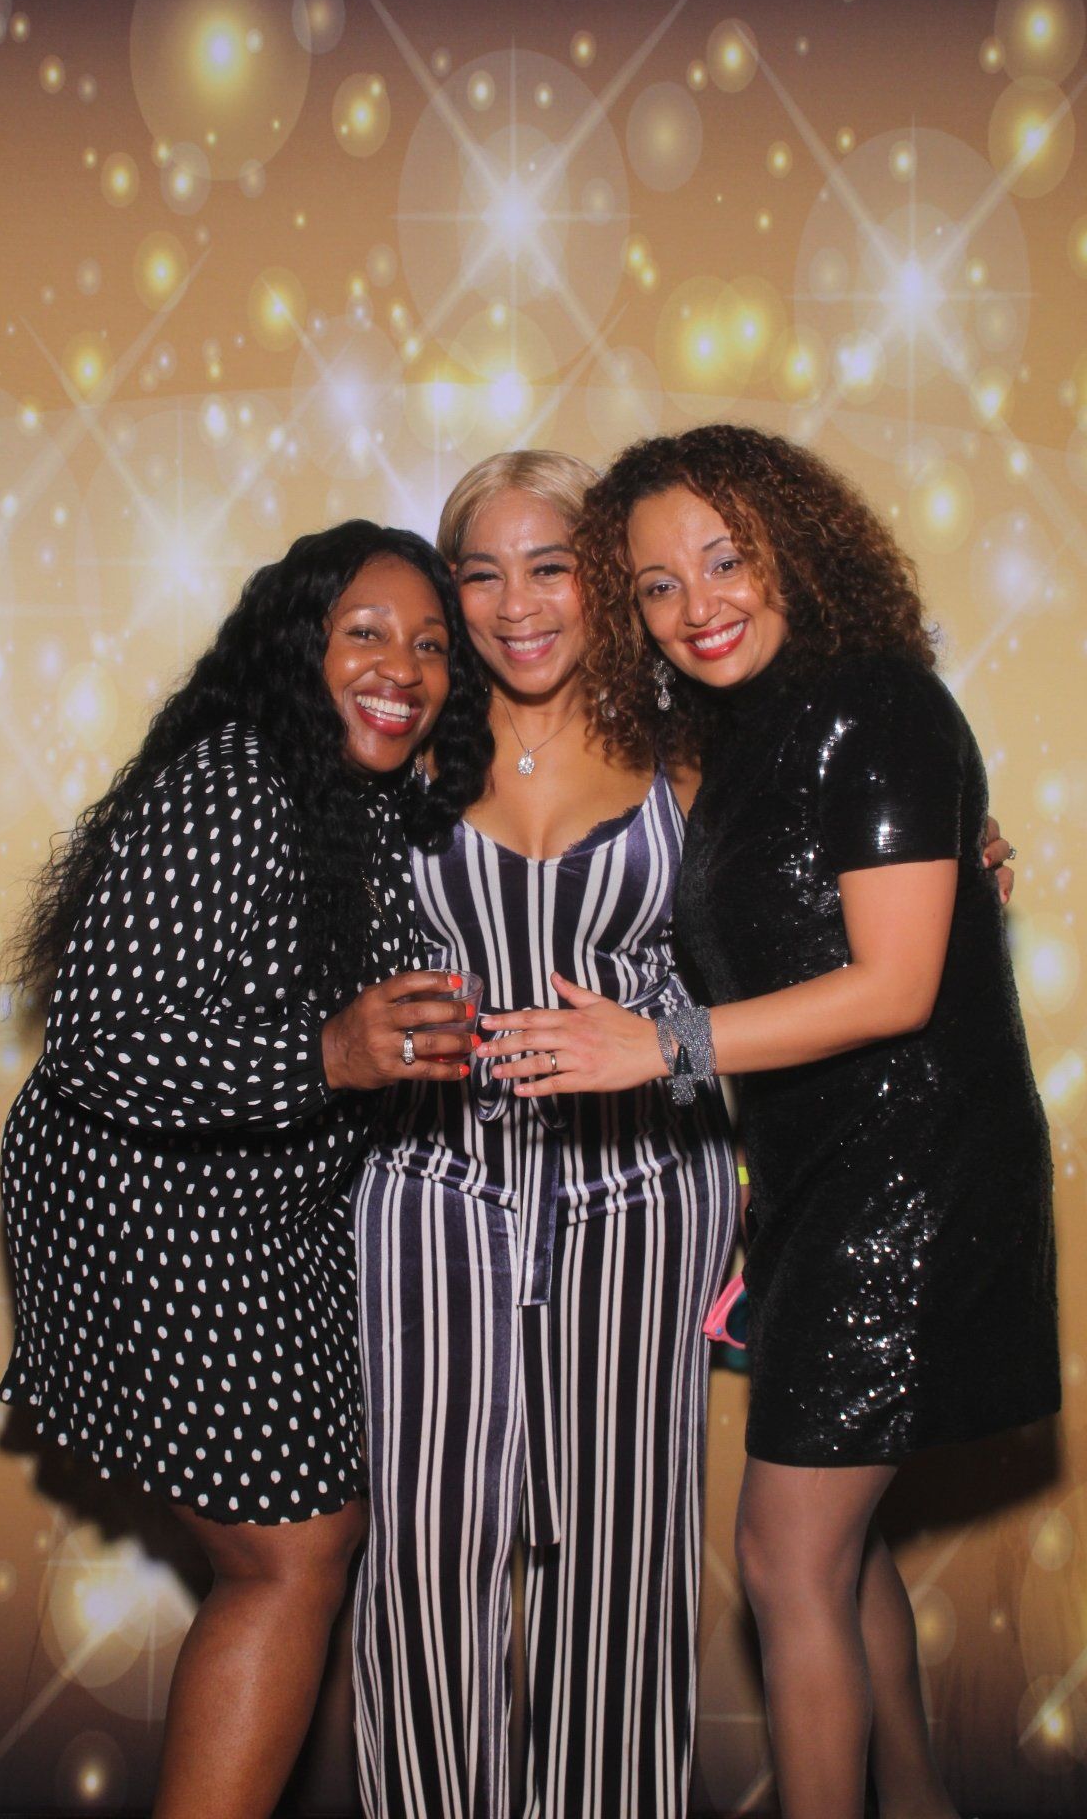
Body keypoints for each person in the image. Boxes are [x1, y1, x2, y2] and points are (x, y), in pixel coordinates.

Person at [479, 426, 1057, 1819]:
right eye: (657, 585)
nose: (698, 604)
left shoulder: (878, 702)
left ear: (797, 547)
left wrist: (661, 1046)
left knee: (786, 1557)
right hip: (812, 1183)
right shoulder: (730, 743)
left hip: (911, 1178)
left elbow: (896, 987)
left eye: (725, 559)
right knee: (838, 1555)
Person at [0, 522, 492, 1819]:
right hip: (150, 1202)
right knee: (294, 1554)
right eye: (365, 634)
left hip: (269, 1207)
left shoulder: (358, 795)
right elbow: (100, 1046)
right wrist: (327, 1055)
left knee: (316, 1540)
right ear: (296, 646)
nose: (403, 668)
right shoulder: (234, 783)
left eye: (431, 646)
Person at [351, 452, 740, 1819]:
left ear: (602, 577)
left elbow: (835, 870)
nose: (516, 605)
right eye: (481, 573)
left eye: (551, 566)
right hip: (432, 1192)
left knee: (625, 1564)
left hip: (643, 1193)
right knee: (425, 1557)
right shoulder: (399, 741)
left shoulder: (689, 741)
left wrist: (958, 839)